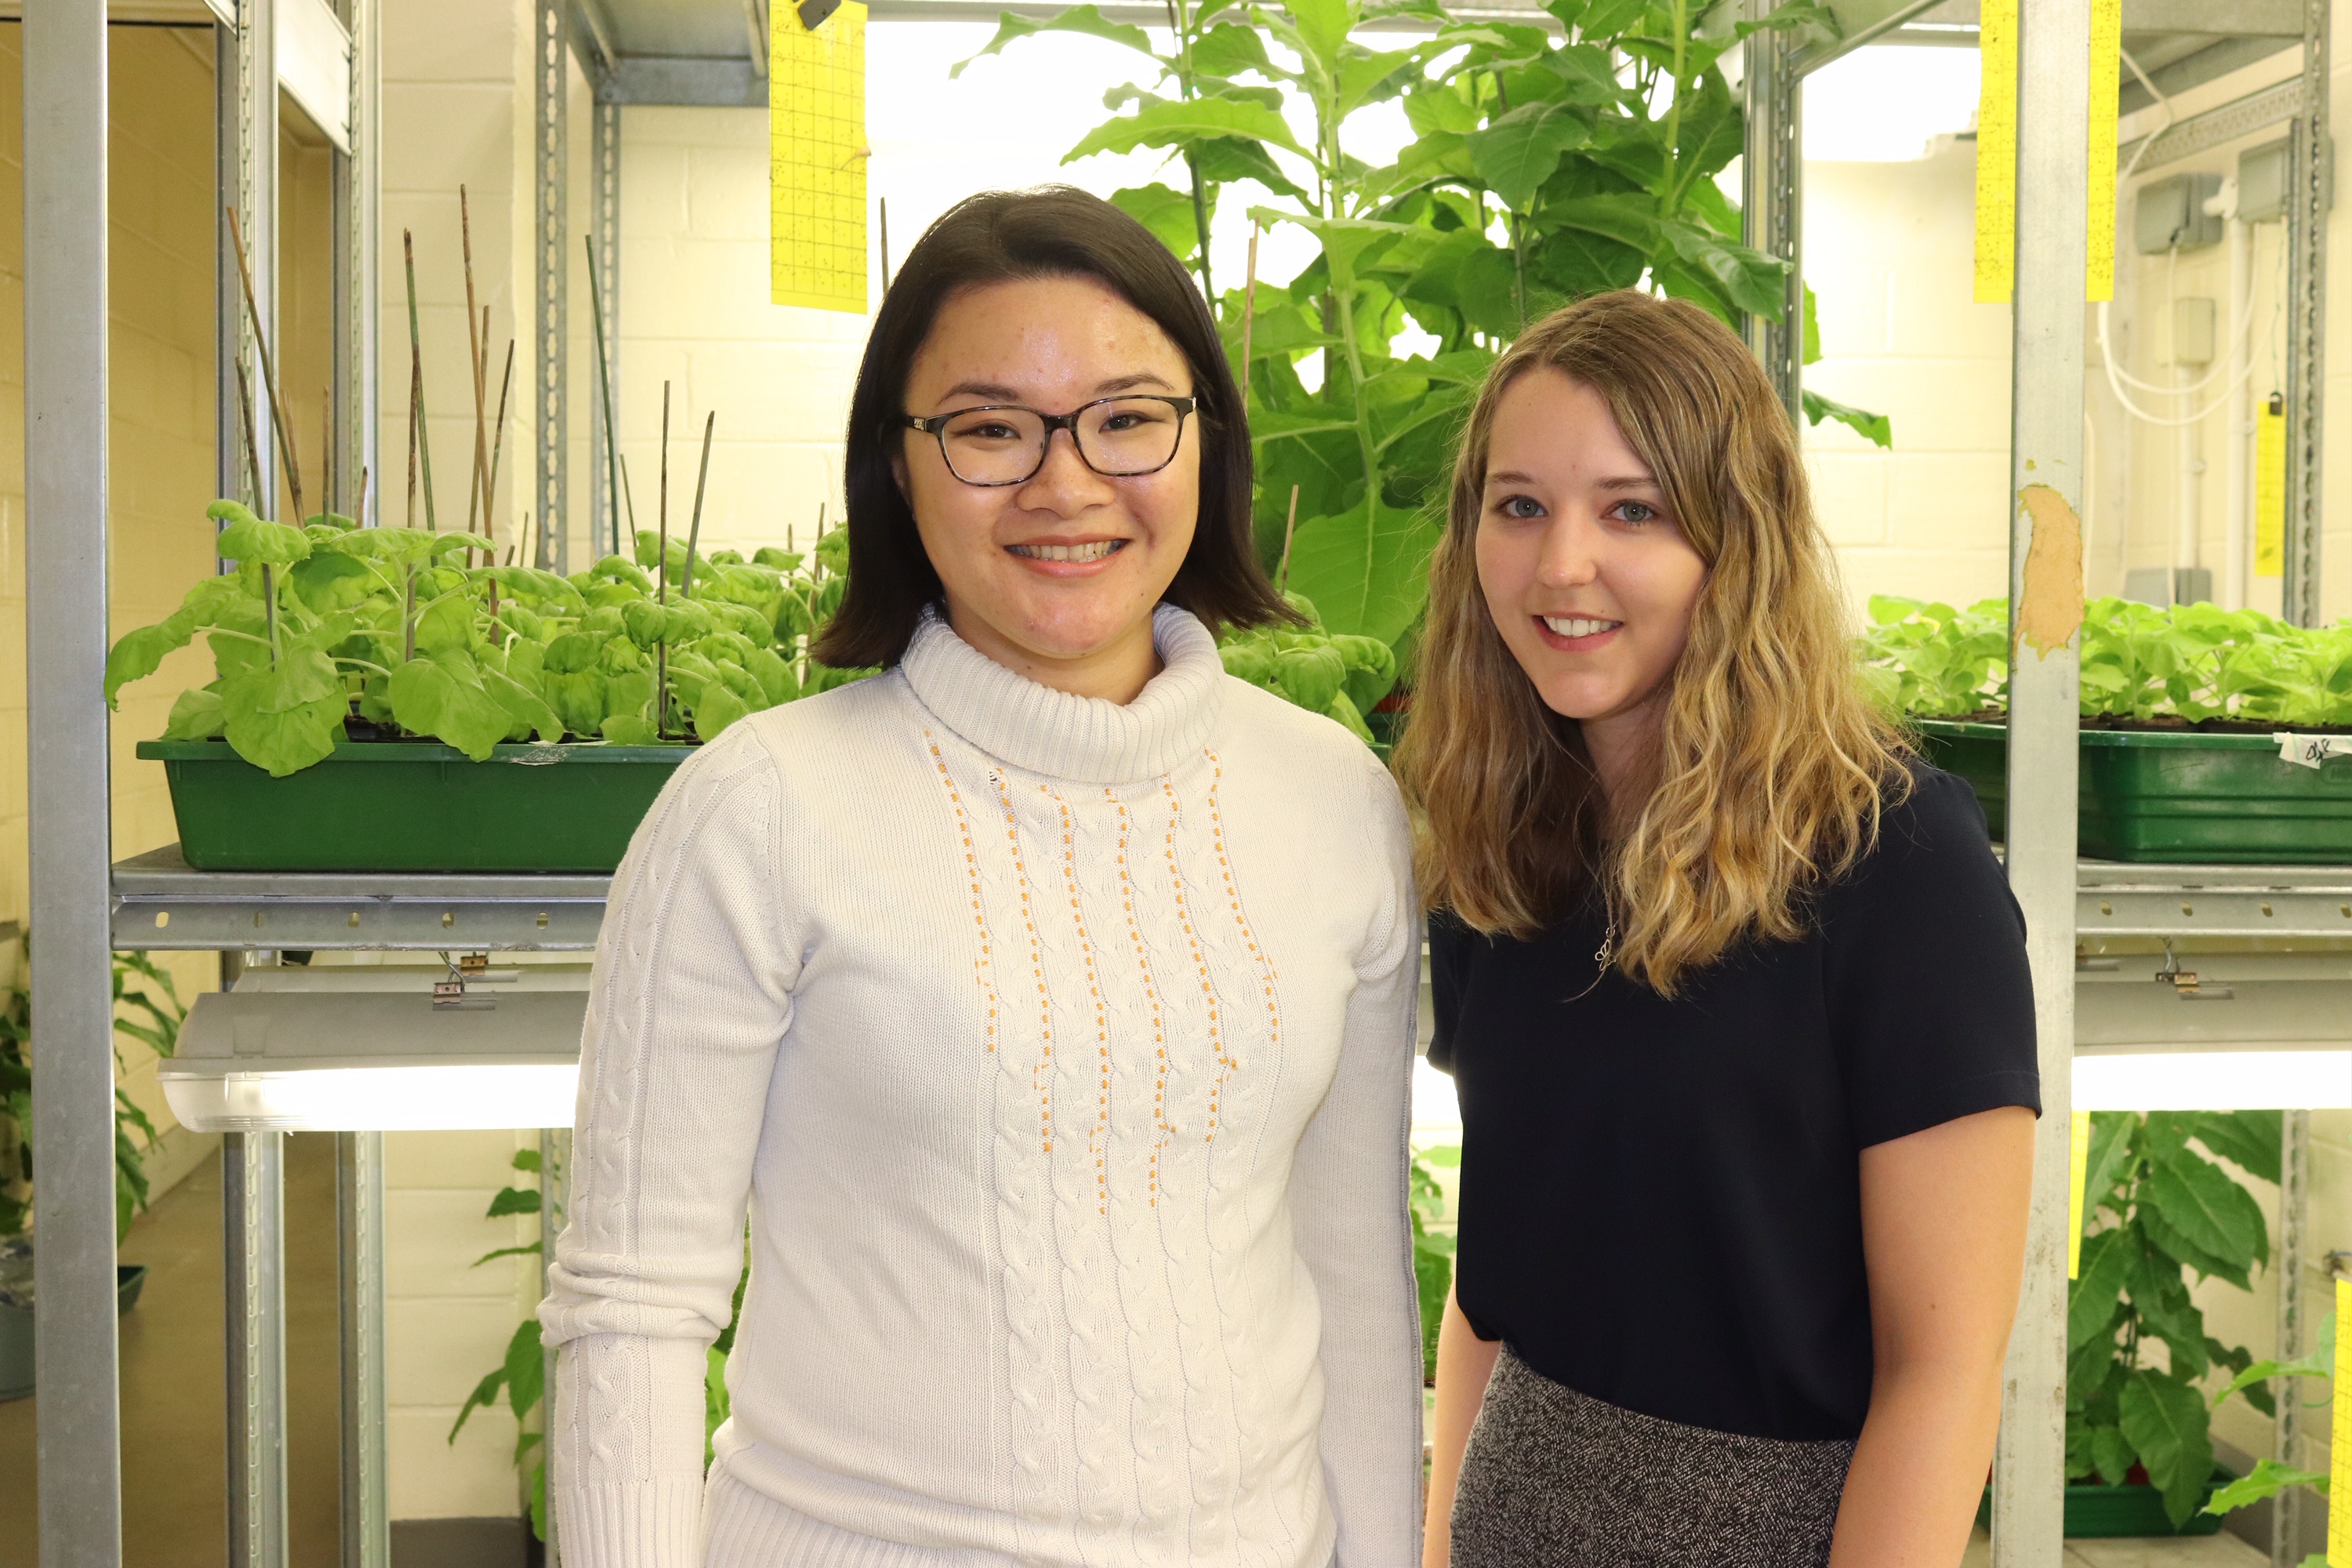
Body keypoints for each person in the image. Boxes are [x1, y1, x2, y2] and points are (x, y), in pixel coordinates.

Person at [539, 186, 1424, 1568]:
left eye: (1129, 419)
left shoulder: (1333, 801)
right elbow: (632, 1314)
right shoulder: (760, 812)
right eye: (991, 429)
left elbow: (1359, 1288)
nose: (1066, 484)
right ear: (898, 465)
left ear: (1208, 443)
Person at [1399, 291, 2039, 1568]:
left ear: (1734, 542)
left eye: (1631, 509)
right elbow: (1489, 1295)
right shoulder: (1502, 849)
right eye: (1519, 505)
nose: (1560, 563)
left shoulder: (1893, 859)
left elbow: (1946, 1377)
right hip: (1512, 1508)